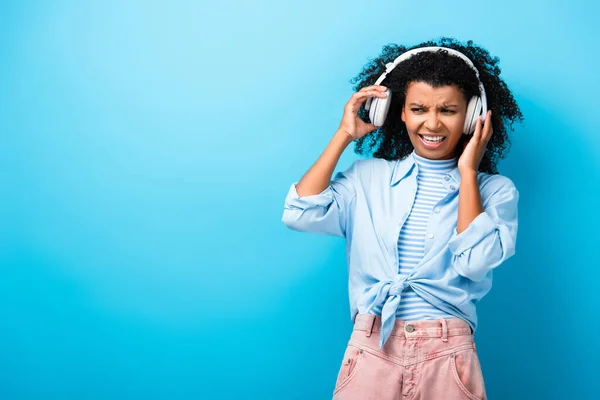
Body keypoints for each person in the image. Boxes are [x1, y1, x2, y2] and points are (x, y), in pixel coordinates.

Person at [281, 37, 523, 400]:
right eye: (419, 108)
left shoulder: (495, 191)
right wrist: (344, 134)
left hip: (448, 354)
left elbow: (475, 262)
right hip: (372, 344)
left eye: (449, 110)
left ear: (473, 116)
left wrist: (468, 171)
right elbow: (300, 213)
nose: (433, 123)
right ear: (400, 112)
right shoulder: (367, 178)